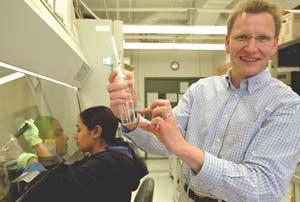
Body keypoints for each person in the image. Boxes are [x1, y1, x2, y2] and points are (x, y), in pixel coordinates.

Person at [106, 0, 300, 201]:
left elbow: (262, 186)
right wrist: (129, 116)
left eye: (262, 38)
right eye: (242, 37)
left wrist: (184, 148)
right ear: (227, 42)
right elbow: (163, 144)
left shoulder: (287, 105)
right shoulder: (201, 90)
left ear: (274, 44)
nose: (251, 48)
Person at [12, 106, 148, 202]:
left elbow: (54, 187)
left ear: (96, 131)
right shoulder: (115, 155)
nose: (74, 136)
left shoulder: (105, 164)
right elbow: (71, 174)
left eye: (79, 129)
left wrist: (33, 162)